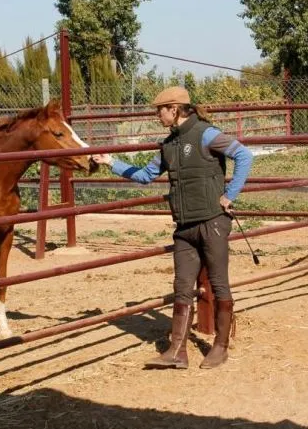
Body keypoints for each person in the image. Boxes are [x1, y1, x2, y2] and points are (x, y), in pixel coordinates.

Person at [92, 86, 253, 369]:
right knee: (181, 287)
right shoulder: (168, 145)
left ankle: (220, 346)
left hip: (212, 222)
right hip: (185, 227)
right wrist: (111, 162)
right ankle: (176, 350)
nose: (157, 115)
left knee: (218, 283)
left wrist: (230, 195)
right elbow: (145, 176)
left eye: (160, 110)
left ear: (174, 109)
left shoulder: (206, 133)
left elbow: (244, 156)